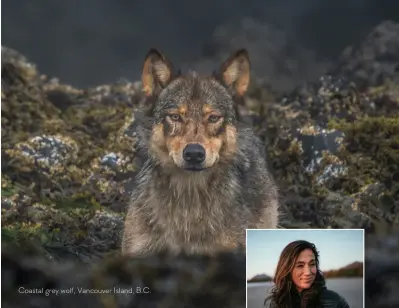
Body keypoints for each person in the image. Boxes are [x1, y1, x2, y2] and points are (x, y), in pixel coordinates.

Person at [264, 240, 351, 308]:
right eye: (300, 265)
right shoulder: (278, 302)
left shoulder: (334, 301)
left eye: (312, 264)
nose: (308, 272)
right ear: (286, 269)